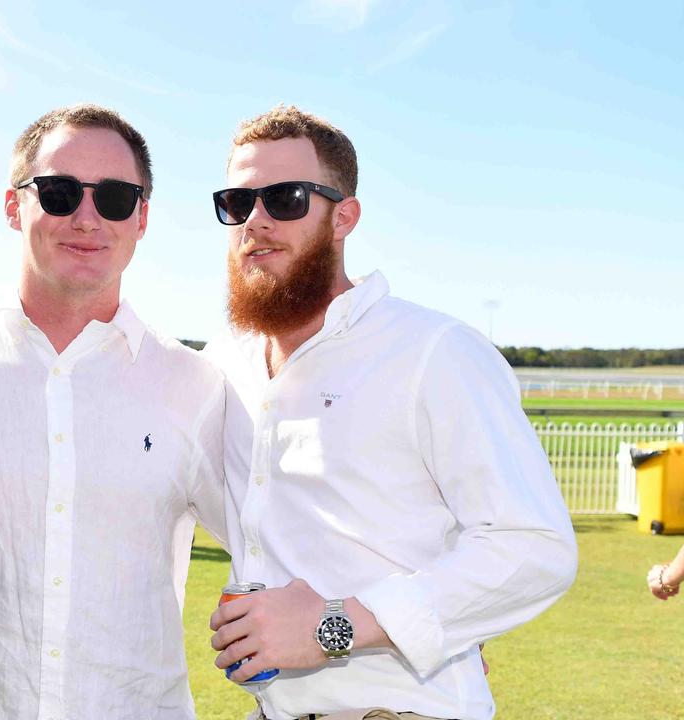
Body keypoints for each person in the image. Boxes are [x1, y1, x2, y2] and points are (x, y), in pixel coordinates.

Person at [203, 105, 578, 720]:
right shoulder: (225, 366)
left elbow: (534, 546)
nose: (256, 222)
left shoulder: (433, 351)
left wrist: (335, 626)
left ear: (342, 216)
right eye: (237, 202)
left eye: (287, 199)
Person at [0, 104, 226, 719]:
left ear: (143, 217)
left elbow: (280, 543)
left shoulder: (198, 386)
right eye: (57, 192)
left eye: (114, 197)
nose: (86, 217)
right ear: (12, 206)